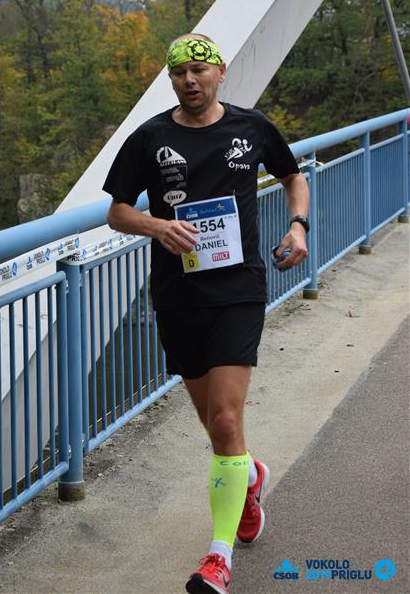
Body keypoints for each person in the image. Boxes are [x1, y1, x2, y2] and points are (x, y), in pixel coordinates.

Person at [103, 34, 309, 594]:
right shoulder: (151, 138)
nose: (189, 80)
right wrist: (157, 225)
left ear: (220, 72)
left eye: (198, 69)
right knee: (218, 429)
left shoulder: (251, 127)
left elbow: (292, 175)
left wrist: (298, 226)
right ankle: (249, 476)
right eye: (179, 73)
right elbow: (117, 213)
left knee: (224, 420)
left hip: (238, 290)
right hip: (177, 294)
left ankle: (218, 558)